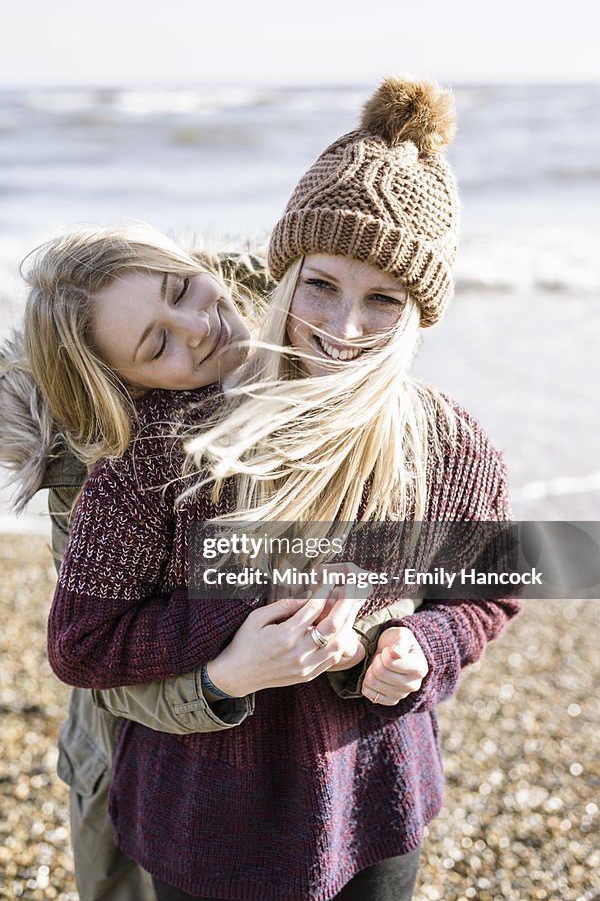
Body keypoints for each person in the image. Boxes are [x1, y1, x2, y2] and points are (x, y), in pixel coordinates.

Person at [45, 76, 521, 901]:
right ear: (285, 272)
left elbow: (493, 587)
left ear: (419, 311)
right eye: (321, 285)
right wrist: (236, 638)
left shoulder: (451, 444)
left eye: (383, 299)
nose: (343, 328)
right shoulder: (166, 447)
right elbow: (81, 642)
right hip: (200, 818)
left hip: (375, 799)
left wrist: (422, 647)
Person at [0, 230, 416, 901]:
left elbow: (417, 536)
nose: (200, 327)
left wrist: (380, 625)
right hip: (164, 763)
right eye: (158, 346)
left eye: (182, 289)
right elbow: (96, 655)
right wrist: (222, 676)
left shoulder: (313, 316)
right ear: (124, 386)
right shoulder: (102, 473)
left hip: (335, 757)